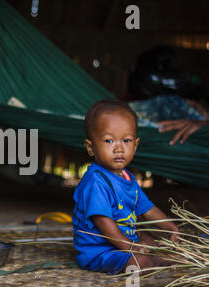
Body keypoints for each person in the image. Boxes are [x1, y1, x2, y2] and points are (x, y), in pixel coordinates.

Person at [0, 65, 209, 145]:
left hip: (189, 125)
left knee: (104, 123)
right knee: (101, 115)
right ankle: (13, 106)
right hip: (183, 114)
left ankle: (11, 107)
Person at [72, 100, 179, 275]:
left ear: (135, 145)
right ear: (91, 147)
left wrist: (172, 228)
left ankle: (155, 255)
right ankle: (144, 258)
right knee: (141, 262)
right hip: (101, 251)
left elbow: (148, 209)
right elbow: (104, 224)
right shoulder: (95, 182)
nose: (119, 148)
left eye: (126, 140)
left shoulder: (128, 178)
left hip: (127, 239)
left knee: (157, 246)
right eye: (109, 140)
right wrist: (132, 247)